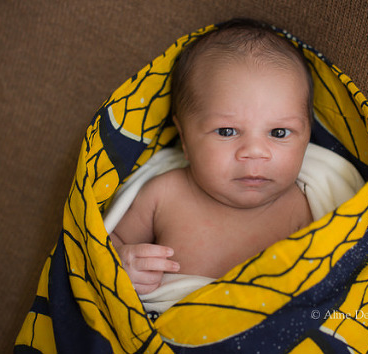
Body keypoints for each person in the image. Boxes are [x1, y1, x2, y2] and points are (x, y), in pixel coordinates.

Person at [109, 19, 314, 298]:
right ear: (184, 137)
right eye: (227, 131)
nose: (255, 151)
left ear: (307, 137)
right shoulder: (163, 194)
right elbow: (108, 242)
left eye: (279, 133)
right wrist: (124, 262)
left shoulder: (303, 209)